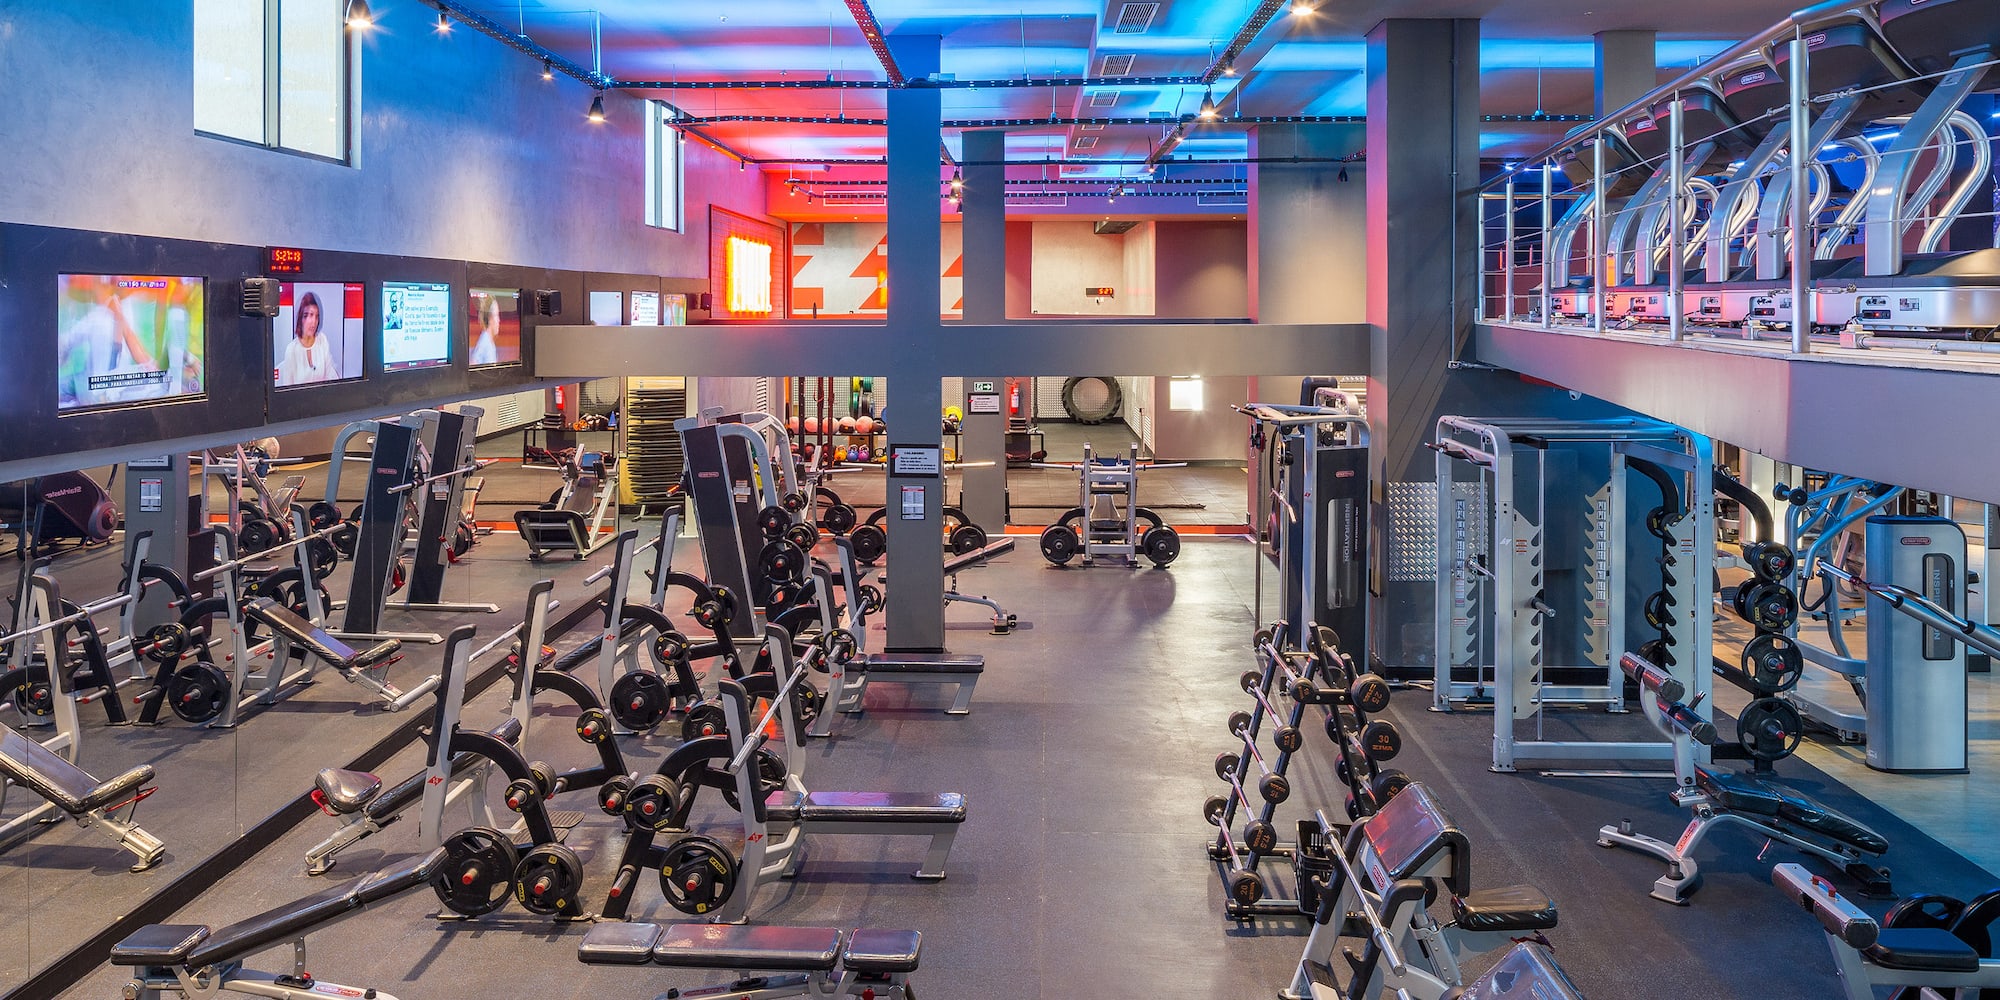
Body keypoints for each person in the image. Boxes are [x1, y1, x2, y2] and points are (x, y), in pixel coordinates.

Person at [276, 290, 339, 386]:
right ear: (301, 318)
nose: (313, 322)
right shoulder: (292, 349)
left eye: (316, 316)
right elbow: (287, 389)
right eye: (309, 315)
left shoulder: (322, 340)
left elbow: (331, 376)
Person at [469, 293, 502, 366]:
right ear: (490, 318)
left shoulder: (489, 341)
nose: (499, 320)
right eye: (496, 315)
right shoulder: (485, 341)